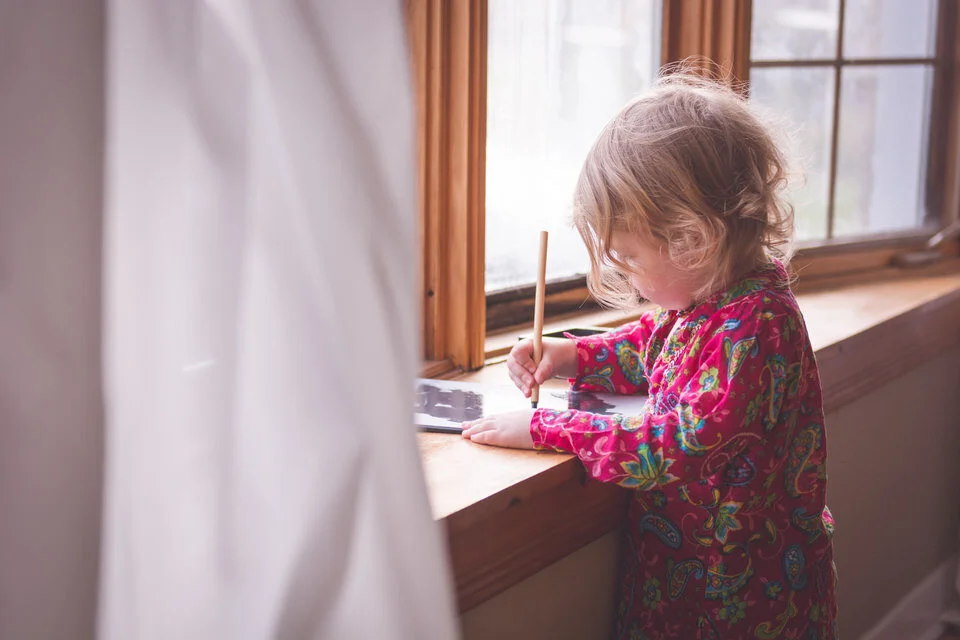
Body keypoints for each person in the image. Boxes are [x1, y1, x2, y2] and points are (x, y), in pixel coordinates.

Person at [461, 72, 838, 639]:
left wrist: (548, 427)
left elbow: (675, 445)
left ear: (694, 237)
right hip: (690, 576)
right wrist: (570, 356)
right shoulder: (710, 302)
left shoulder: (755, 328)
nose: (624, 276)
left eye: (629, 258)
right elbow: (652, 347)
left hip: (743, 594)